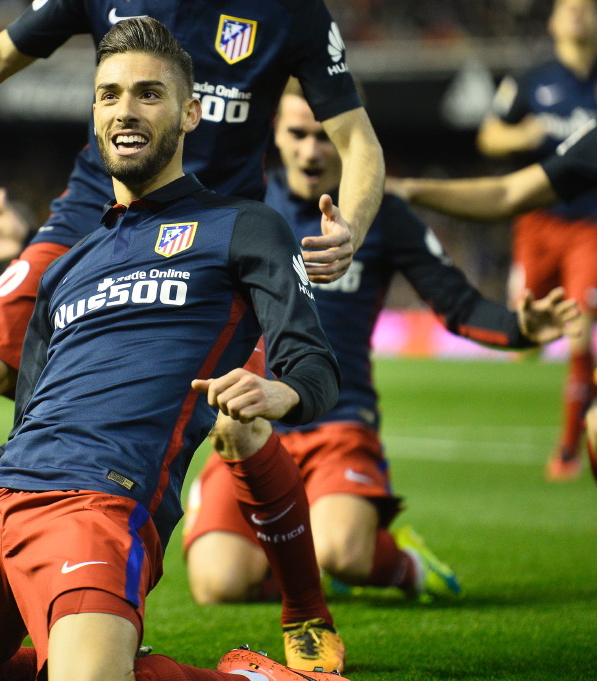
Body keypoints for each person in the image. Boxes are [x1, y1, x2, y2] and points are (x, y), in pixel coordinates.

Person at [0, 0, 383, 663]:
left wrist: (352, 230)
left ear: (186, 109)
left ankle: (305, 613)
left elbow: (358, 140)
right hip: (91, 222)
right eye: (108, 93)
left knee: (235, 420)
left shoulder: (291, 13)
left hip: (211, 239)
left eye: (144, 93)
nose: (124, 106)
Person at [181, 81, 581, 607]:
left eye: (325, 136)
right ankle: (310, 558)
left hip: (340, 421)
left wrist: (522, 328)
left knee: (343, 551)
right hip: (253, 424)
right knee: (219, 584)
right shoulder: (240, 207)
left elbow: (459, 307)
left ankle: (401, 561)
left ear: (348, 139)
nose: (311, 149)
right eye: (297, 133)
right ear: (273, 134)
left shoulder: (380, 214)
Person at [389, 117, 597, 482]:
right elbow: (508, 193)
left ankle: (566, 446)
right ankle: (569, 446)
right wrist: (409, 189)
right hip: (548, 227)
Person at [474, 0, 597, 480]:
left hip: (589, 224)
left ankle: (569, 444)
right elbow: (488, 136)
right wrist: (520, 135)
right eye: (570, 8)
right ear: (552, 21)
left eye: (588, 8)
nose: (579, 15)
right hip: (538, 222)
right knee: (525, 326)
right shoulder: (531, 80)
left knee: (579, 325)